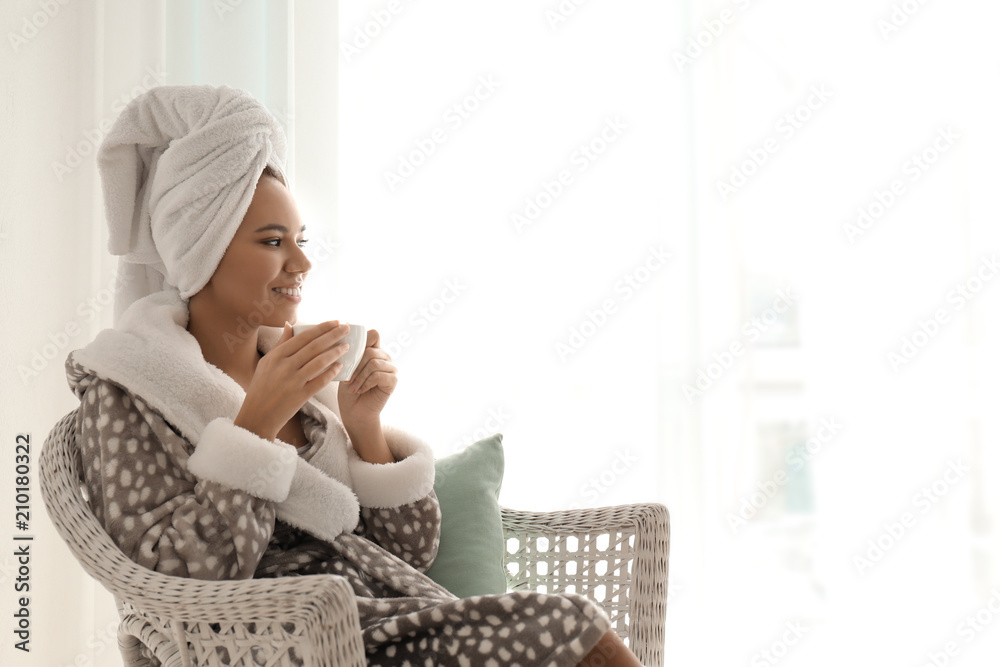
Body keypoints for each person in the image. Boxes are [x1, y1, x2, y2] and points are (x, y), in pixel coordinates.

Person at [66, 84, 644, 666]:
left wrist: (364, 426)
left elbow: (411, 552)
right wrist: (256, 423)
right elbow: (172, 578)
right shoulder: (129, 390)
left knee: (571, 626)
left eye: (301, 240)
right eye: (272, 242)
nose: (302, 263)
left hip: (391, 621)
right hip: (286, 643)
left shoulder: (299, 376)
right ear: (201, 251)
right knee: (568, 625)